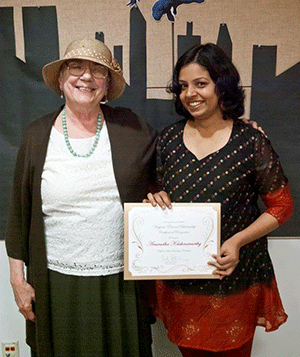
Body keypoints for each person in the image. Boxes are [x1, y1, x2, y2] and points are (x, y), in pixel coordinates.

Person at [5, 38, 157, 357]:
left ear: (107, 85)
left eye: (97, 71)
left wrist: (236, 127)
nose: (86, 77)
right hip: (56, 283)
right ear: (61, 80)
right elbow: (19, 214)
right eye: (76, 67)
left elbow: (175, 153)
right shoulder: (36, 136)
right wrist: (18, 281)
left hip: (120, 283)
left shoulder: (132, 128)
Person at [145, 43, 293, 357]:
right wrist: (156, 202)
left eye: (201, 83)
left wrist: (238, 241)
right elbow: (157, 196)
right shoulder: (168, 141)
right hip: (184, 286)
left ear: (222, 86)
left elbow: (282, 206)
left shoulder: (250, 140)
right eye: (183, 86)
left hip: (235, 281)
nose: (190, 93)